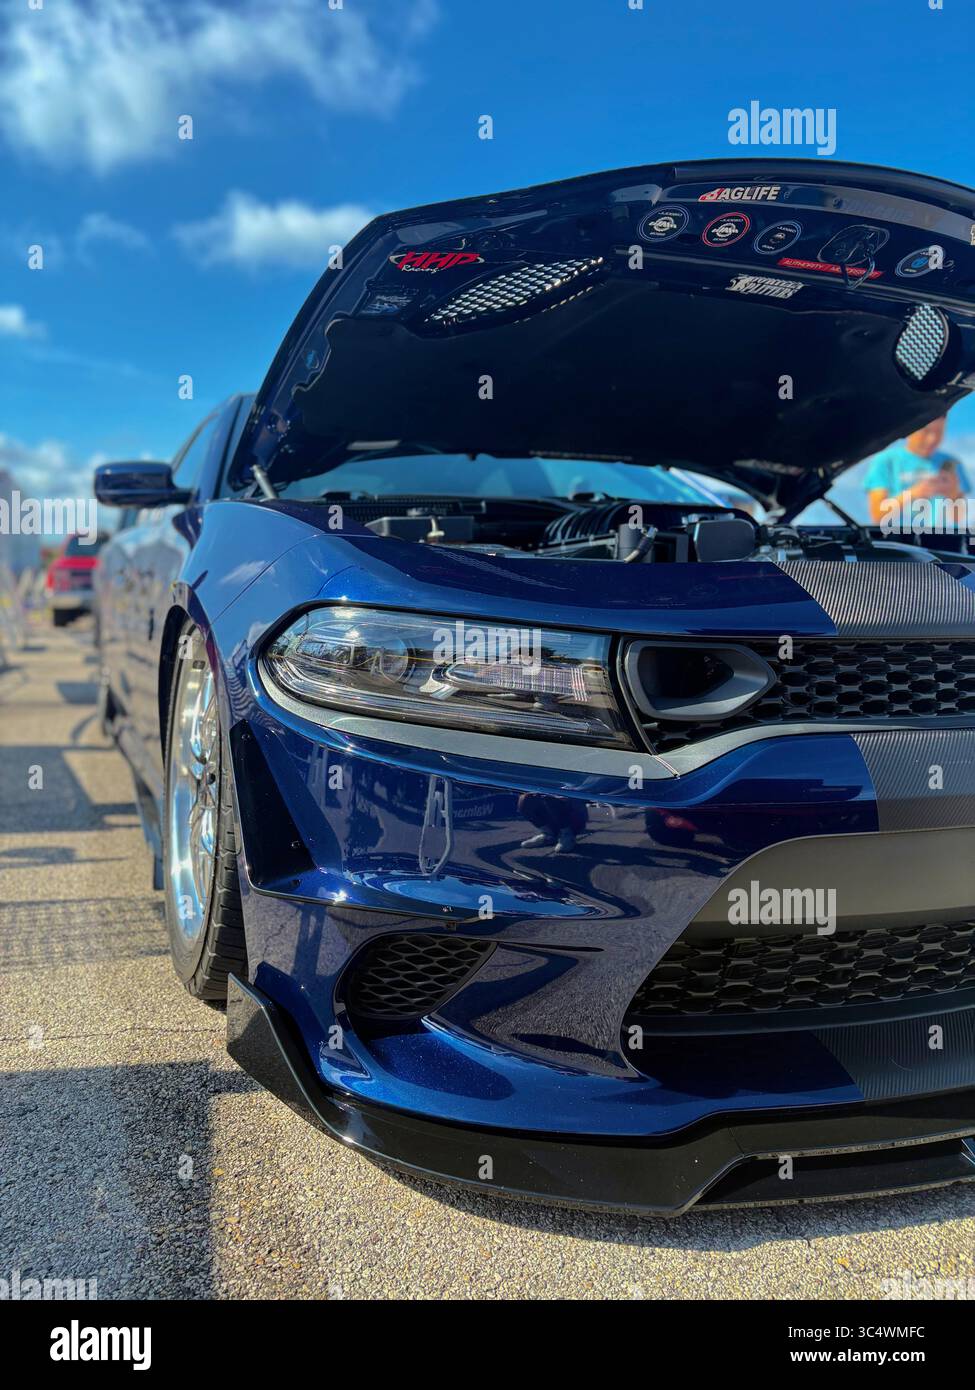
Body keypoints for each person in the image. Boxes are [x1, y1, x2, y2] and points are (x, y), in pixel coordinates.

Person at [865, 416, 970, 529]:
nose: (932, 439)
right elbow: (877, 516)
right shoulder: (885, 461)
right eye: (926, 431)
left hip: (942, 537)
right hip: (899, 537)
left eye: (939, 432)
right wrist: (913, 494)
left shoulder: (951, 463)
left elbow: (960, 519)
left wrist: (953, 494)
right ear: (909, 429)